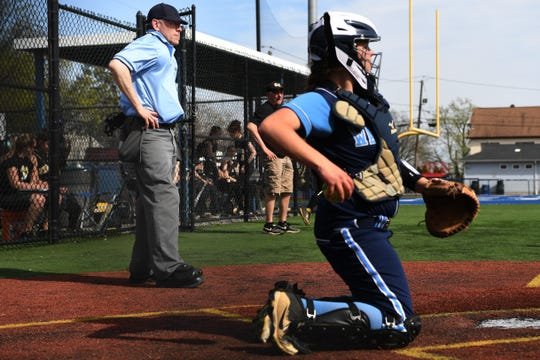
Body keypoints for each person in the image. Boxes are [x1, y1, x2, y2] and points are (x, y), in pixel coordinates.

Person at [254, 11, 430, 354]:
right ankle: (295, 313)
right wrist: (325, 166)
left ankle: (289, 309)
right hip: (350, 225)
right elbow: (273, 127)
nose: (368, 53)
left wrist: (424, 184)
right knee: (398, 320)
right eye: (362, 45)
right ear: (342, 51)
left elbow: (384, 159)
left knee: (380, 304)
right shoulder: (324, 99)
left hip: (368, 225)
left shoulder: (364, 105)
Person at [108, 2, 203, 288]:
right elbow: (116, 65)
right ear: (156, 24)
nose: (180, 27)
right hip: (151, 131)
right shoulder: (151, 43)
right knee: (163, 195)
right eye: (173, 23)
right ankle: (168, 268)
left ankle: (142, 267)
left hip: (160, 133)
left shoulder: (164, 50)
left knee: (151, 199)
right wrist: (138, 106)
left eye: (180, 24)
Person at [247, 82, 300, 235]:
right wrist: (264, 148)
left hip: (285, 155)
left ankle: (282, 222)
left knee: (286, 189)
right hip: (274, 156)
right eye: (275, 92)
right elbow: (251, 126)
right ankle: (268, 224)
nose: (279, 95)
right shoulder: (265, 109)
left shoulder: (283, 109)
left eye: (281, 92)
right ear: (268, 94)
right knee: (272, 189)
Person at [0, 133, 48, 239]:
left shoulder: (29, 161)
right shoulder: (11, 160)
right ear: (26, 147)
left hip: (24, 194)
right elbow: (15, 184)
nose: (33, 150)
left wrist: (35, 167)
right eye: (32, 147)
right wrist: (35, 187)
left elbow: (34, 182)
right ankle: (26, 231)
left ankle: (45, 229)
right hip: (9, 197)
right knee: (38, 199)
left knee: (55, 196)